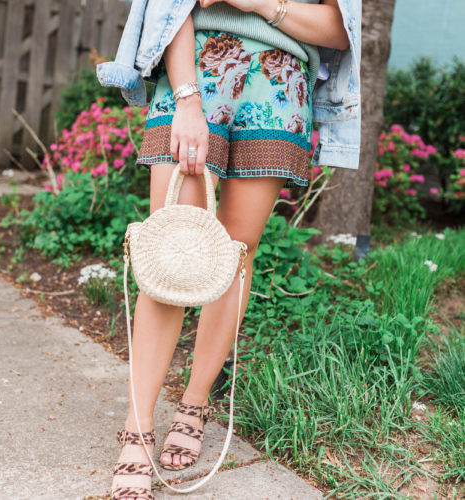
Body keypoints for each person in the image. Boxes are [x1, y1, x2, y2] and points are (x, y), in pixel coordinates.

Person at [110, 1, 352, 499]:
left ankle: (195, 404)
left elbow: (338, 29)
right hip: (195, 68)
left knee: (235, 253)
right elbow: (171, 7)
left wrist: (257, 2)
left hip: (282, 82)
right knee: (175, 247)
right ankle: (138, 427)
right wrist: (187, 100)